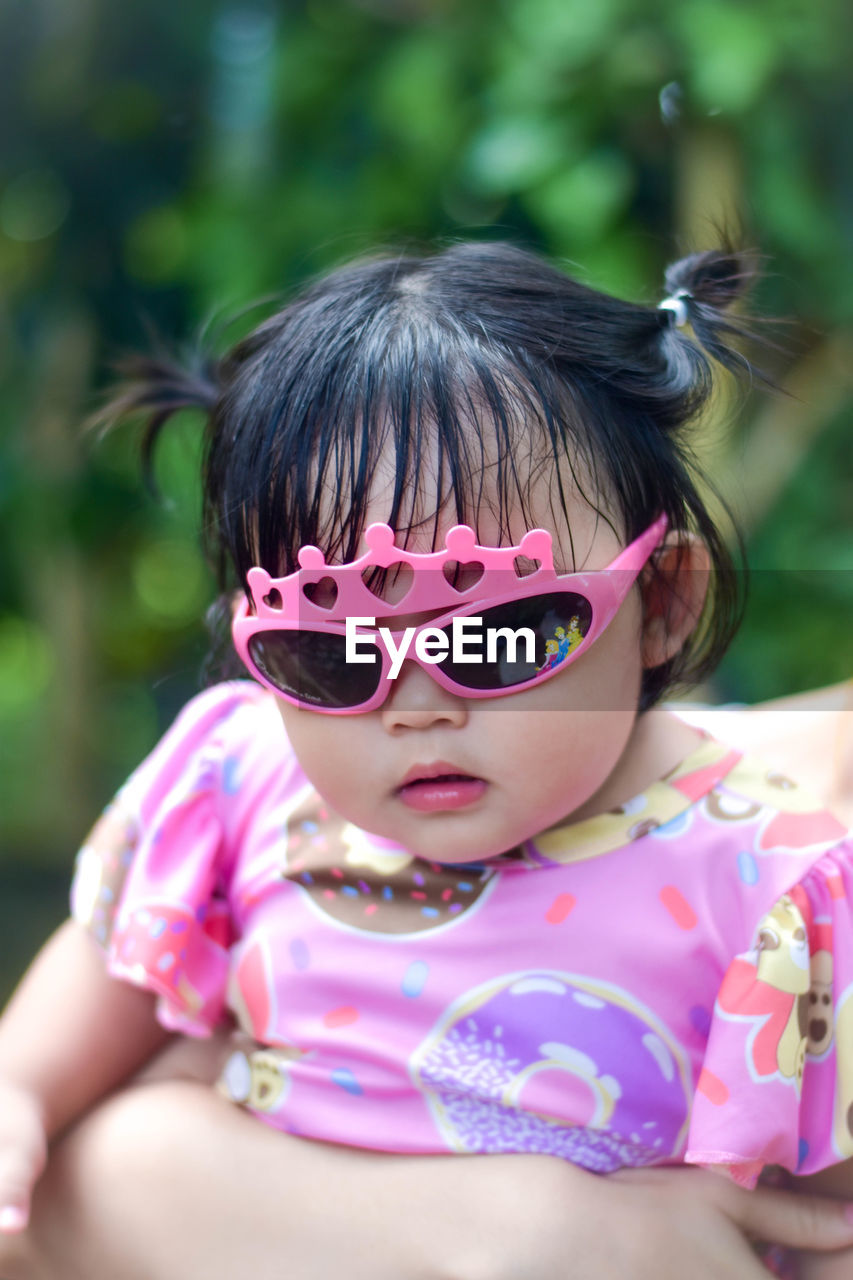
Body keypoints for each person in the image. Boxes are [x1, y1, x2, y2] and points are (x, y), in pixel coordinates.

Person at [1, 241, 853, 1280]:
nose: (415, 704)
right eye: (330, 650)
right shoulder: (243, 777)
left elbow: (819, 1225)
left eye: (500, 632)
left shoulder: (771, 876)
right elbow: (89, 999)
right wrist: (19, 1093)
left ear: (662, 600)